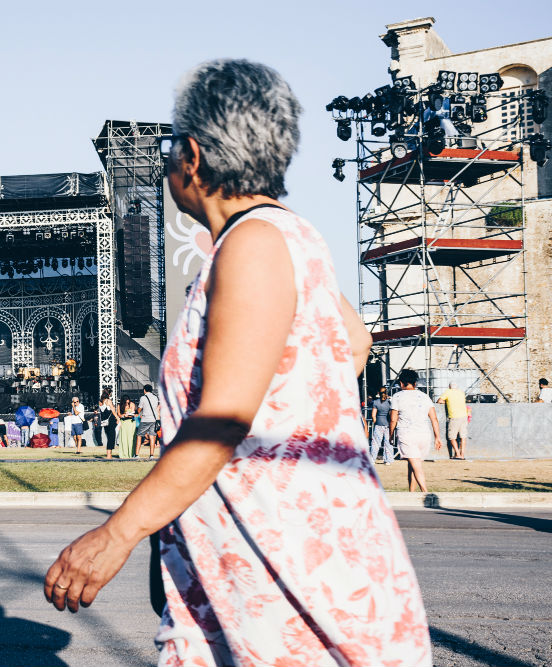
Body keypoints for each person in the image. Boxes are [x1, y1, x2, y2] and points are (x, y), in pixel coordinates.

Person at [43, 60, 430, 667]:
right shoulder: (290, 237)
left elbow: (221, 423)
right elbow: (351, 347)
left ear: (192, 157)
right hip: (291, 552)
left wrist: (116, 534)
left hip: (283, 572)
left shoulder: (253, 246)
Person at [390, 369, 443, 492]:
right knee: (413, 464)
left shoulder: (397, 396)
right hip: (424, 435)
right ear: (415, 383)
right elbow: (434, 418)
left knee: (416, 466)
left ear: (401, 383)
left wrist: (391, 435)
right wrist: (437, 437)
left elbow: (393, 419)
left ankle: (425, 492)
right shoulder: (425, 397)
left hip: (407, 434)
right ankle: (411, 492)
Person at [437, 382, 468, 459]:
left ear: (449, 387)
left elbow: (439, 401)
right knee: (463, 436)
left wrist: (447, 402)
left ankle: (457, 454)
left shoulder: (448, 392)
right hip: (464, 416)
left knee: (452, 437)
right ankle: (462, 454)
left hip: (454, 416)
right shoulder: (461, 392)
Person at [369, 385, 395, 465]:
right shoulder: (390, 402)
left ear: (378, 393)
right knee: (388, 442)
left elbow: (373, 415)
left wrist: (375, 421)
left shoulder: (376, 402)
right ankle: (388, 460)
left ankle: (372, 459)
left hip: (378, 424)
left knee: (376, 443)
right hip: (388, 424)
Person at [136, 384, 161, 459]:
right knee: (152, 436)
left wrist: (138, 411)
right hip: (154, 419)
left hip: (145, 419)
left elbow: (139, 409)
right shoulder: (155, 398)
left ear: (144, 390)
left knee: (139, 436)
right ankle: (151, 455)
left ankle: (137, 454)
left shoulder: (143, 398)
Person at [98, 388, 117, 458]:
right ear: (109, 394)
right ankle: (109, 454)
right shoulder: (108, 401)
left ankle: (109, 454)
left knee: (108, 436)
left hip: (104, 421)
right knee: (112, 437)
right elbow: (113, 410)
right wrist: (118, 418)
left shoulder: (100, 402)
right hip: (110, 421)